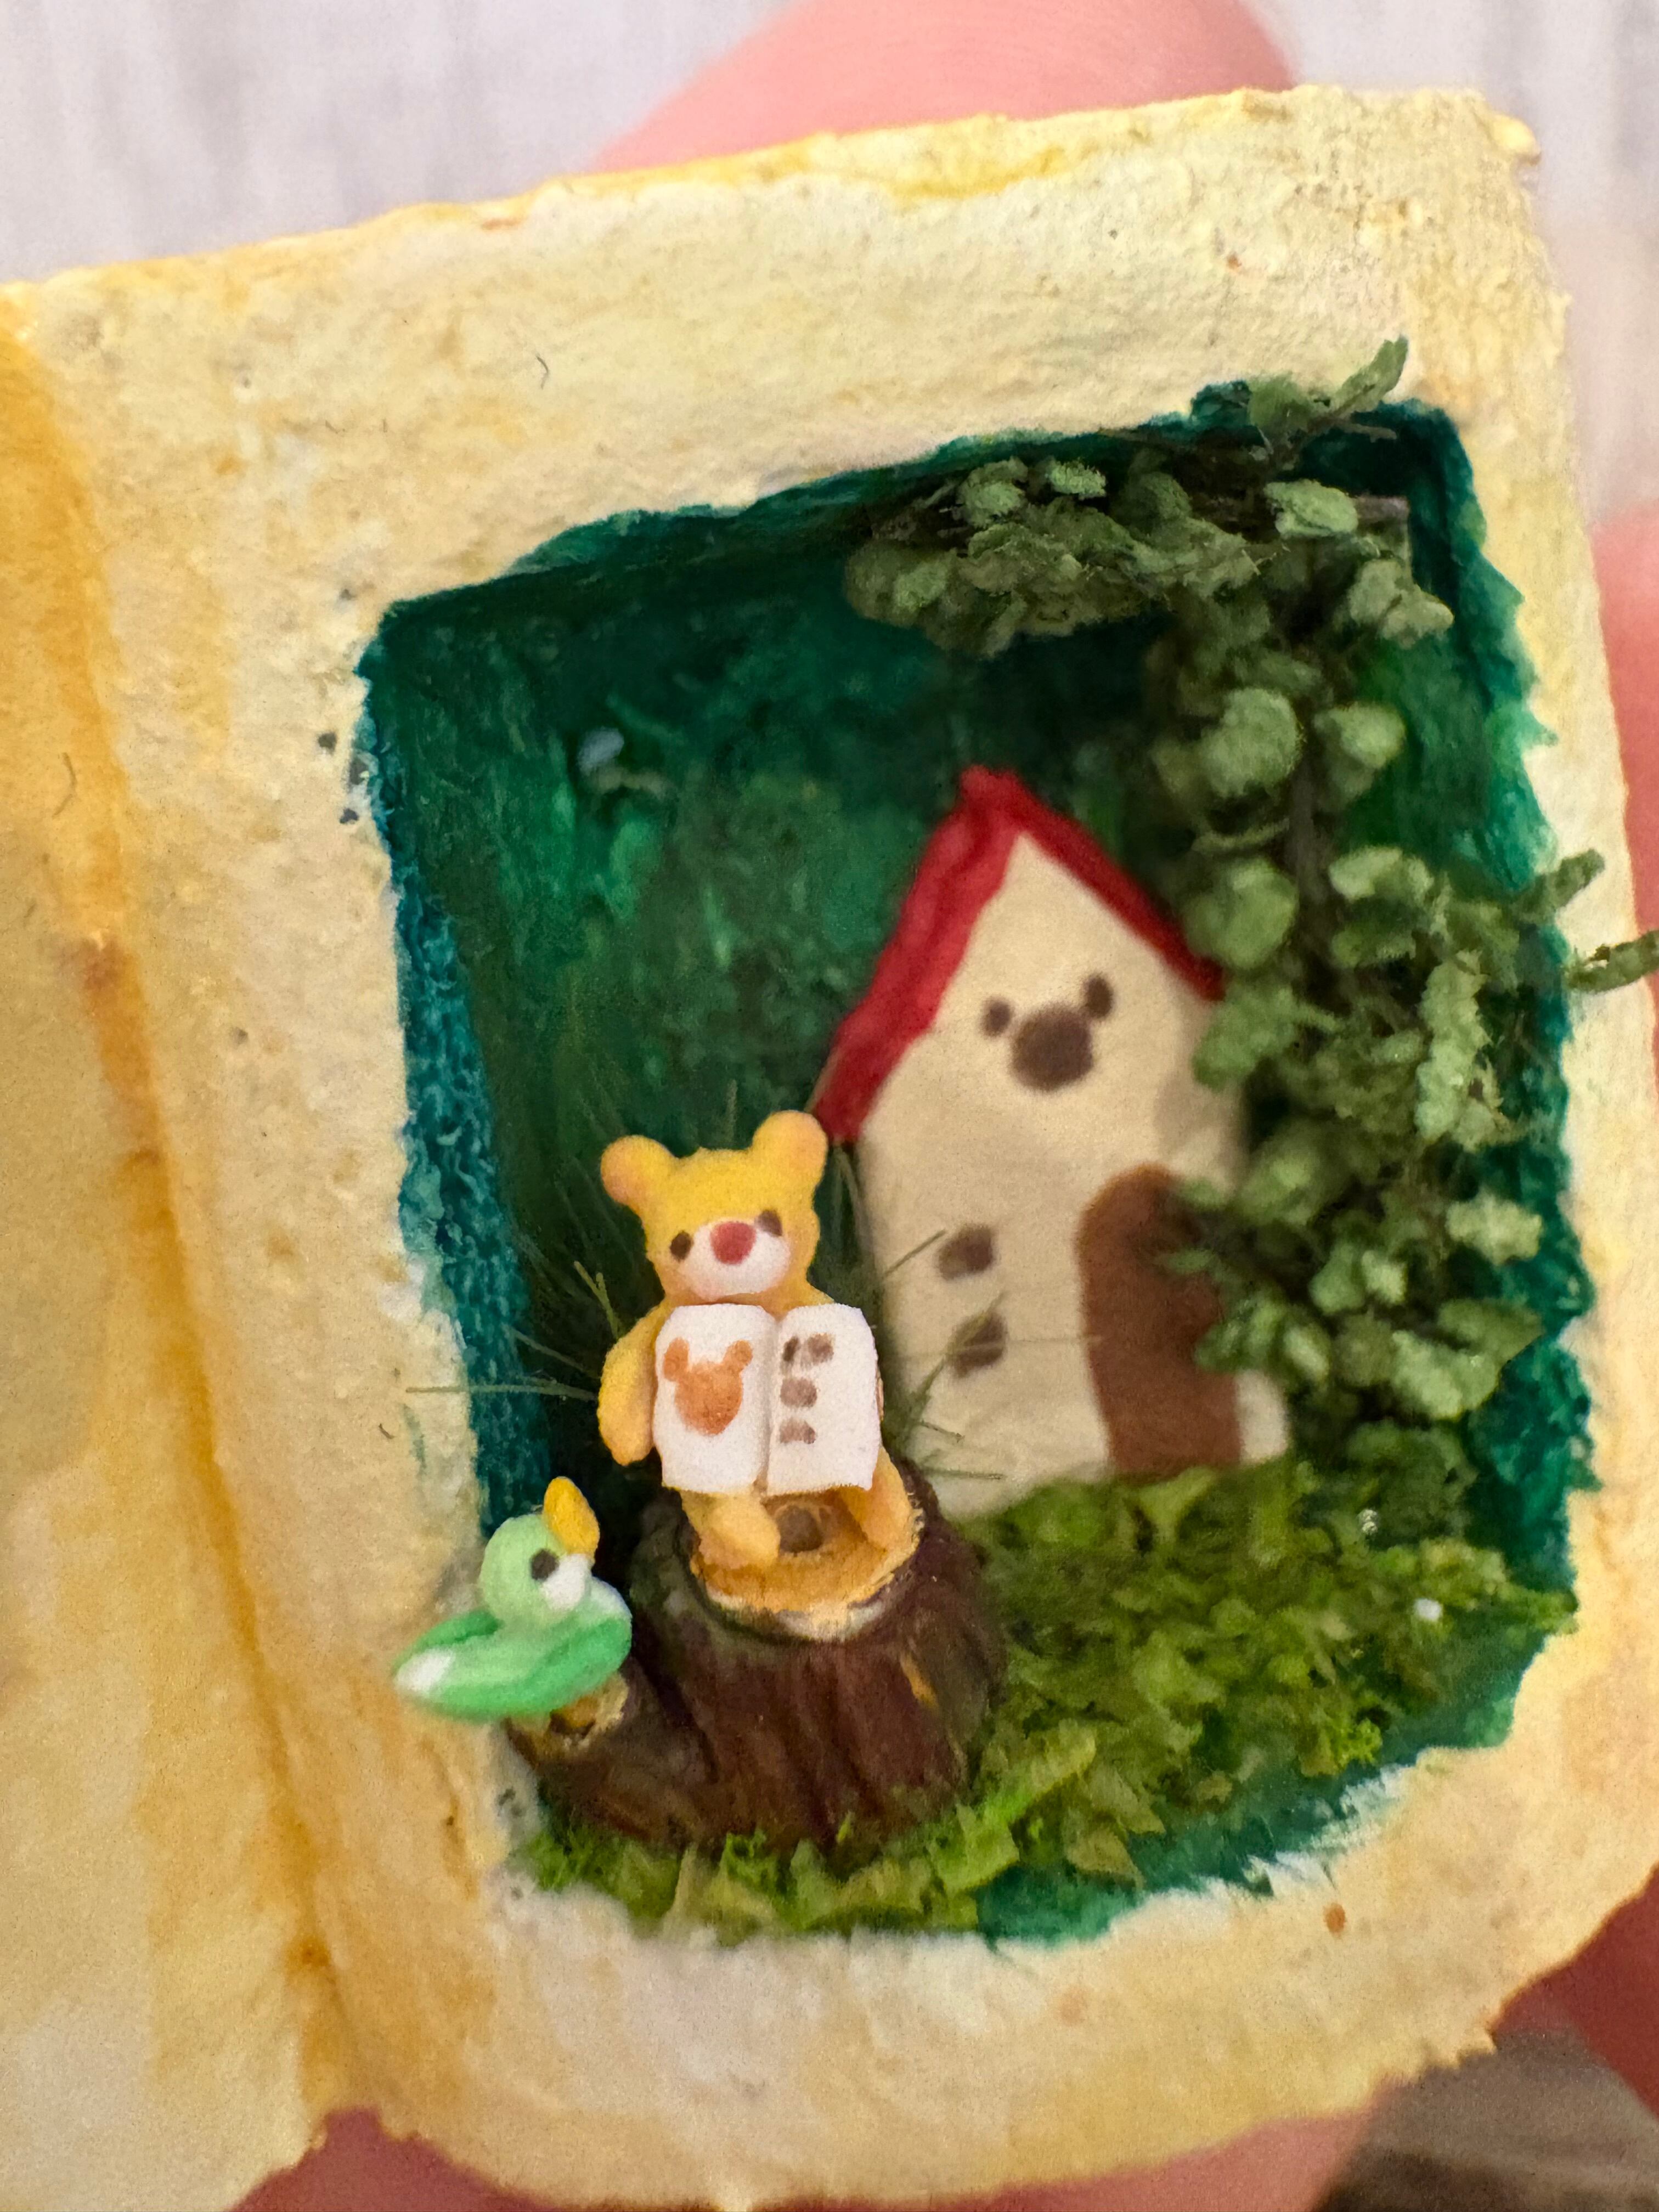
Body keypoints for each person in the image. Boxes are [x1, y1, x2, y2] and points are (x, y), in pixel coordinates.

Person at [244, 2, 1659, 2203]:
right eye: (715, 1239)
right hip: (758, 1564)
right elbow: (655, 1404)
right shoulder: (752, 1313)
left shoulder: (908, 1239)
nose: (738, 1257)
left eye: (749, 1233)